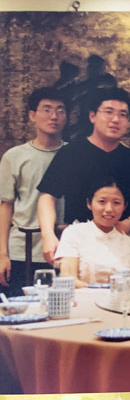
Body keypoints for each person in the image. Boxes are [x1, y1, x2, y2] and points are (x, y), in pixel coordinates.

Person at [37, 88, 130, 265]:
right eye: (108, 112)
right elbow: (48, 196)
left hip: (120, 244)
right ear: (92, 116)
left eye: (122, 114)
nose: (115, 119)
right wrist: (48, 235)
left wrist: (129, 223)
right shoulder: (71, 153)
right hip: (79, 244)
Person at [0, 87, 68, 296]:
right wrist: (2, 254)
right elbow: (6, 206)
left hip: (63, 249)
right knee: (19, 309)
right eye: (46, 109)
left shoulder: (73, 154)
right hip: (22, 248)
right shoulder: (14, 156)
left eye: (60, 110)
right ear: (32, 115)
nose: (54, 116)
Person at [55, 176, 130, 288]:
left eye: (116, 203)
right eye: (102, 201)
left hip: (121, 298)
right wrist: (100, 291)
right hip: (83, 297)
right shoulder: (73, 233)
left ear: (125, 206)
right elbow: (69, 280)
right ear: (89, 203)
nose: (109, 209)